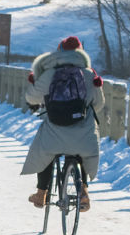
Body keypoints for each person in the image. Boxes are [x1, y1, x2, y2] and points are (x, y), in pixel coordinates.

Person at [22, 35, 99, 211]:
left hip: (55, 127)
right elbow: (99, 103)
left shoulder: (50, 74)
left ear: (58, 53)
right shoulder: (88, 74)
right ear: (81, 54)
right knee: (82, 150)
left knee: (46, 151)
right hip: (82, 129)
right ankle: (84, 191)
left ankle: (41, 194)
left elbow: (31, 97)